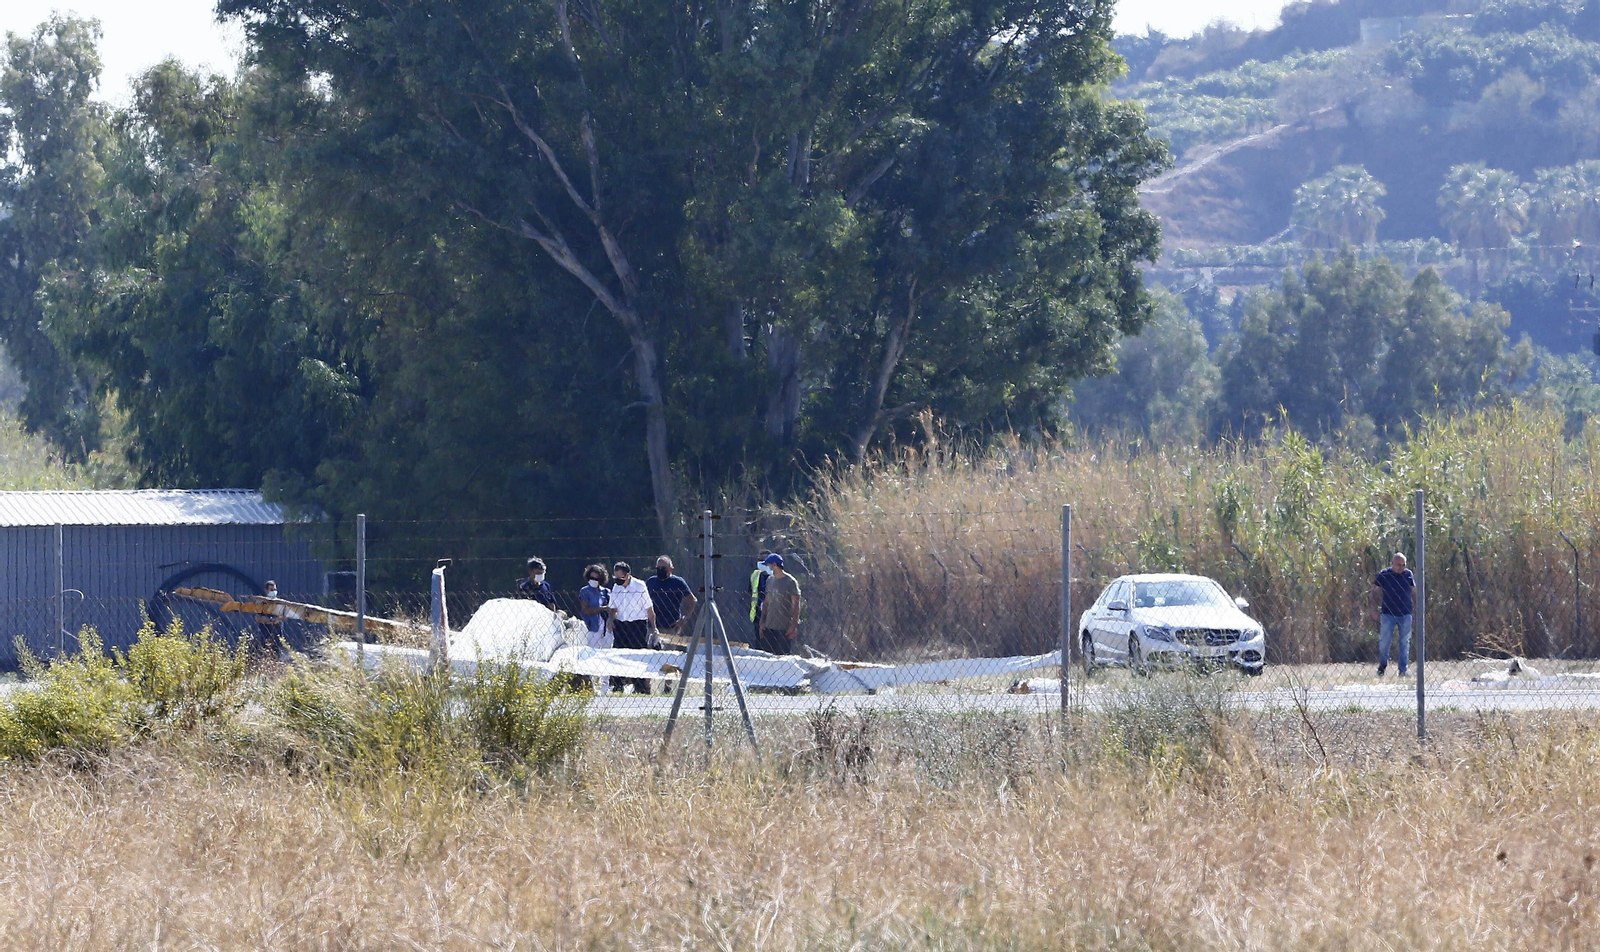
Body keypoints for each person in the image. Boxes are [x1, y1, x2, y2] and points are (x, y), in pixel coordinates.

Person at [609, 561, 658, 694]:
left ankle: (640, 687)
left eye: (620, 577)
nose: (618, 580)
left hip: (637, 625)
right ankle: (618, 685)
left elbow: (649, 608)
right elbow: (613, 608)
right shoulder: (616, 588)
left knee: (637, 655)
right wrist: (610, 620)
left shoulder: (640, 586)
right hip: (620, 625)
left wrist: (653, 628)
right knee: (617, 653)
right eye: (616, 577)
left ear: (627, 575)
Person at [1371, 552, 1415, 677]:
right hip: (1387, 614)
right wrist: (1374, 609)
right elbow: (1374, 592)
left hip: (1405, 614)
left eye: (1403, 565)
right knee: (1385, 642)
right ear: (1392, 564)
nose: (1400, 567)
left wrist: (1417, 611)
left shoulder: (1408, 574)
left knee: (1404, 641)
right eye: (1398, 564)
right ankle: (1383, 665)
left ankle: (1403, 669)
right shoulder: (1384, 574)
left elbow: (1414, 592)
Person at [576, 563, 613, 695]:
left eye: (597, 578)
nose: (594, 580)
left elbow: (612, 609)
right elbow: (585, 610)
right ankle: (591, 686)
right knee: (591, 656)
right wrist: (602, 609)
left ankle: (605, 687)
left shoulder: (606, 592)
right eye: (592, 577)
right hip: (592, 628)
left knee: (607, 656)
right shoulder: (584, 592)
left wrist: (610, 617)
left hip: (606, 628)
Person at [756, 553, 801, 656]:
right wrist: (762, 622)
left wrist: (793, 626)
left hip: (783, 628)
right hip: (769, 626)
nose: (767, 567)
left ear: (774, 565)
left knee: (782, 658)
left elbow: (796, 605)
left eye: (768, 565)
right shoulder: (770, 580)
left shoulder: (790, 582)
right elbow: (766, 602)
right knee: (767, 657)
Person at [646, 555, 697, 638]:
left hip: (671, 626)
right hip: (653, 626)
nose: (660, 570)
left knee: (669, 650)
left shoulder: (677, 582)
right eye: (658, 568)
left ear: (671, 569)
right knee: (651, 650)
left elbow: (692, 600)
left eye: (663, 568)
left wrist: (684, 619)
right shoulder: (651, 582)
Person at [257, 579, 289, 662]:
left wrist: (279, 619)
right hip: (265, 634)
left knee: (277, 656)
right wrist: (271, 620)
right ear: (266, 590)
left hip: (277, 635)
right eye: (271, 590)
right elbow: (258, 618)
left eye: (275, 590)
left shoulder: (280, 603)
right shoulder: (262, 603)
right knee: (264, 656)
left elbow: (285, 616)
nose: (274, 592)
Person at [748, 548, 772, 628]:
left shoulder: (776, 576)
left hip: (773, 613)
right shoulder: (755, 575)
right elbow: (750, 592)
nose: (762, 563)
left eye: (764, 560)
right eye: (760, 560)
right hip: (758, 613)